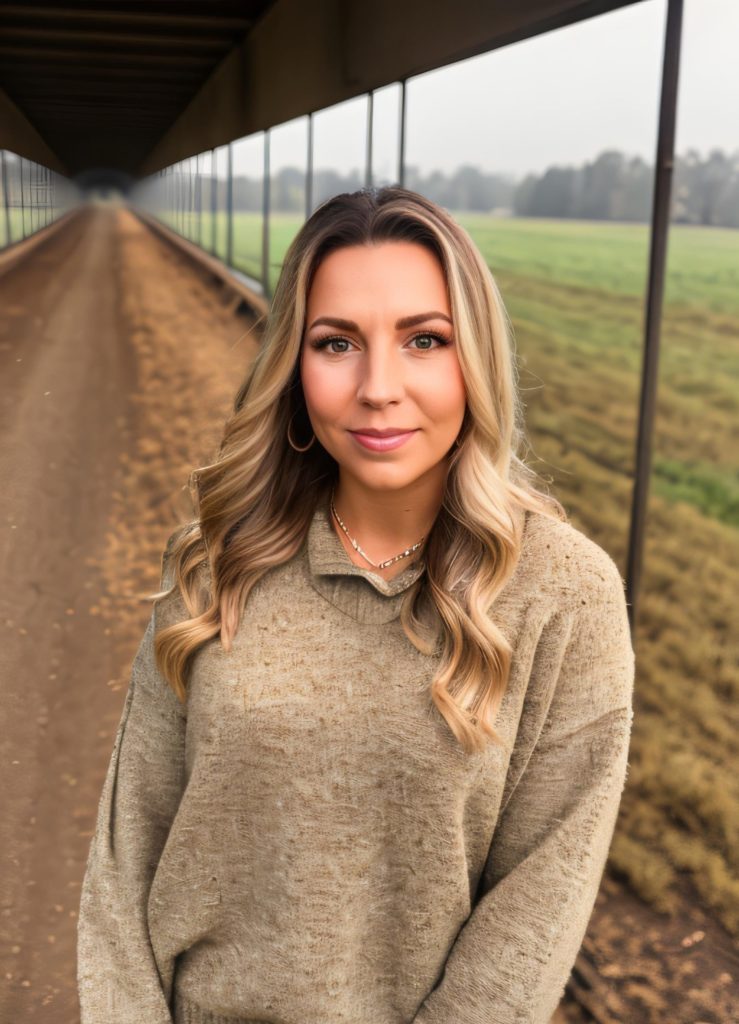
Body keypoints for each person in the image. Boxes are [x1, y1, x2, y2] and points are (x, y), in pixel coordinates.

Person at [77, 186, 635, 1024]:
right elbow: (127, 853)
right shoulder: (215, 558)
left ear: (474, 359)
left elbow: (534, 911)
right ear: (293, 368)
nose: (379, 387)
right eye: (336, 343)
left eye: (424, 341)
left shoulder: (564, 596)